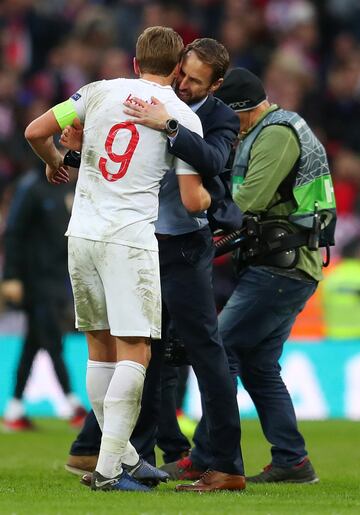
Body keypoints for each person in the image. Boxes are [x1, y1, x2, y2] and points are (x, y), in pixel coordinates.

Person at [24, 26, 212, 493]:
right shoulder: (182, 116)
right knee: (136, 350)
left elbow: (35, 131)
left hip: (81, 234)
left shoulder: (96, 91)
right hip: (129, 239)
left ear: (134, 62)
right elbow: (191, 198)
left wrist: (55, 160)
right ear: (176, 70)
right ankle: (109, 471)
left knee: (99, 348)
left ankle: (124, 457)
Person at [64, 38, 246, 493]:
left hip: (183, 246)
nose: (183, 84)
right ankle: (133, 458)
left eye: (195, 80)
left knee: (205, 350)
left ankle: (224, 463)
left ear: (216, 84)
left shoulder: (213, 116)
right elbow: (113, 168)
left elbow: (215, 161)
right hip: (138, 242)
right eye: (182, 73)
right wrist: (75, 153)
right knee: (145, 354)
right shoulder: (151, 100)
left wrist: (168, 127)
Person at [161, 67, 337, 484]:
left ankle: (206, 456)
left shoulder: (276, 134)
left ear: (242, 110)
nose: (227, 128)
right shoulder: (271, 129)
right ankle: (293, 461)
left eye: (228, 116)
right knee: (258, 365)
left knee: (217, 350)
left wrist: (202, 204)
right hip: (283, 264)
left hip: (283, 265)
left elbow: (246, 200)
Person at [1, 167, 87, 431]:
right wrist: (11, 276)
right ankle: (73, 405)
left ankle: (14, 409)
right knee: (51, 338)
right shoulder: (32, 187)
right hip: (34, 279)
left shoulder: (67, 189)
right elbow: (13, 232)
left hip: (56, 278)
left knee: (35, 341)